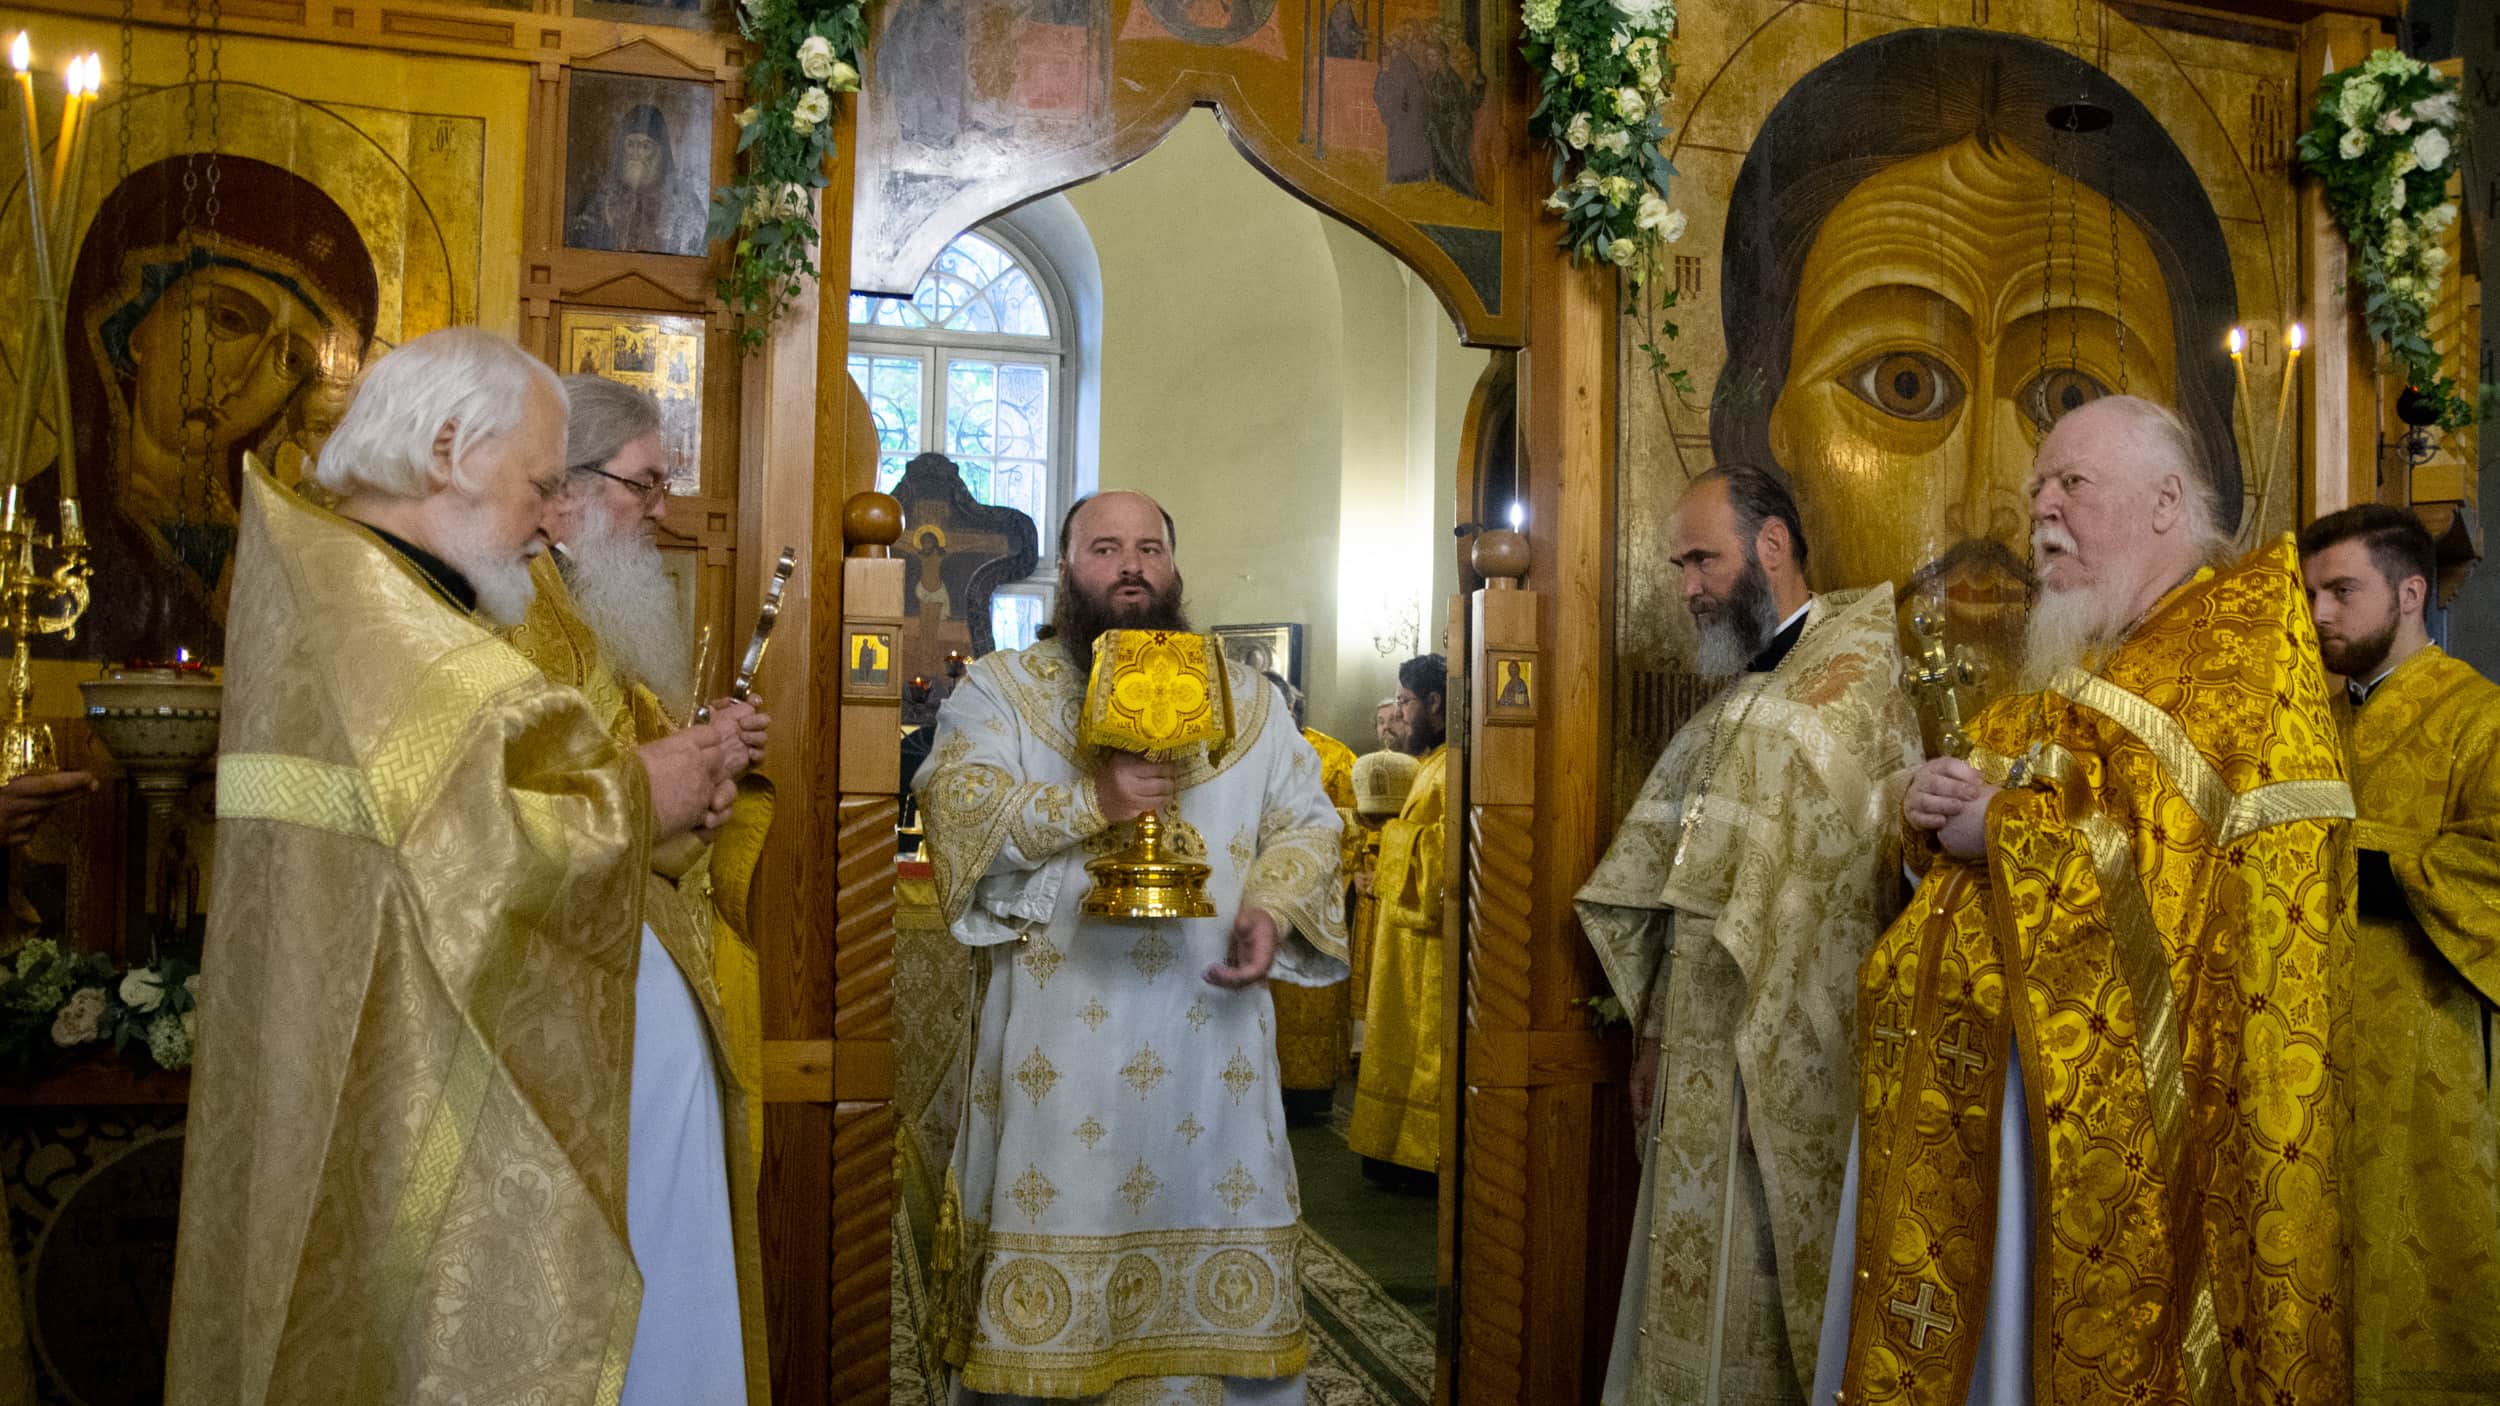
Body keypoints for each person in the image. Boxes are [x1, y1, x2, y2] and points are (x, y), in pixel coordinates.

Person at [167, 328, 759, 1403]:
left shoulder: (356, 589)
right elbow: (470, 845)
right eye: (539, 483)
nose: (547, 518)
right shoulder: (380, 621)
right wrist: (638, 792)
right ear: (447, 448)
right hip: (402, 1074)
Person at [1817, 396, 2352, 1405]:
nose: (2040, 511)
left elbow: (2187, 896)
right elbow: (2004, 811)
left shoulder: (2237, 664)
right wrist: (1929, 819)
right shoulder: (2088, 661)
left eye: (2070, 483)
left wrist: (2005, 835)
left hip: (2122, 1143)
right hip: (2001, 1106)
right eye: (2035, 491)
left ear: (2164, 502)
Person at [915, 490, 1346, 1403]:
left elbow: (1306, 824)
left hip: (1213, 1042)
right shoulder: (1006, 691)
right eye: (1104, 547)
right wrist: (1091, 803)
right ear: (1067, 570)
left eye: (1150, 546)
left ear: (1175, 567)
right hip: (1056, 1049)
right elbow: (955, 806)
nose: (1131, 565)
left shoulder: (1253, 703)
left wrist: (1269, 909)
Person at [1575, 465, 1921, 1405]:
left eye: (1702, 559)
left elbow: (1850, 895)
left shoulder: (1852, 686)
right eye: (1678, 564)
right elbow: (1683, 881)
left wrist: (1751, 1057)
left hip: (1784, 1068)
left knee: (1760, 1314)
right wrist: (1655, 1031)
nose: (1687, 587)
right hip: (1696, 1051)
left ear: (1772, 546)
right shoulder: (1747, 696)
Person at [505, 374, 777, 1403]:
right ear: (567, 489)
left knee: (668, 1225)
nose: (661, 510)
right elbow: (542, 810)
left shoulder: (579, 615)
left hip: (638, 971)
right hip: (579, 988)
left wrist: (703, 764)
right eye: (645, 483)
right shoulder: (525, 616)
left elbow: (643, 801)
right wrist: (680, 776)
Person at [2300, 504, 2500, 1405]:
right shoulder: (2306, 723)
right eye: (2309, 596)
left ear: (2412, 592)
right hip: (2305, 1051)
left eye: (2342, 591)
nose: (2319, 616)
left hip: (2428, 1057)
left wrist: (2345, 860)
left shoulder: (2480, 717)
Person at [1347, 652, 1447, 1190]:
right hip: (1403, 939)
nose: (1401, 716)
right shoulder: (1431, 763)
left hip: (1425, 944)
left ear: (1434, 702)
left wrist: (1389, 837)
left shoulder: (1453, 767)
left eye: (1405, 702)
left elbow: (1448, 850)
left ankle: (1416, 1152)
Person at [1262, 669, 1357, 1124]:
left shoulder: (1334, 756)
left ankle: (1308, 1094)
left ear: (1293, 708)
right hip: (1253, 898)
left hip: (1312, 899)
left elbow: (1350, 829)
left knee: (1308, 1003)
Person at [1343, 749, 1418, 1057]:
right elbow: (1347, 858)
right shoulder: (1354, 827)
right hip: (1367, 913)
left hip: (1401, 913)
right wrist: (1354, 878)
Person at [567, 103, 708, 256]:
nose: (636, 154)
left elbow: (694, 250)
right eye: (631, 145)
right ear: (621, 149)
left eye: (646, 146)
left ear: (661, 154)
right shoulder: (598, 197)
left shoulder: (682, 200)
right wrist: (609, 222)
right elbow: (581, 252)